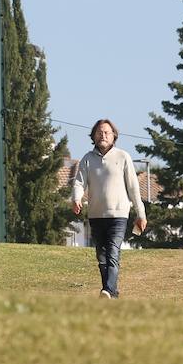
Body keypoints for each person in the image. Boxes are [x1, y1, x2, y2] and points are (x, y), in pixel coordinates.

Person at [71, 118, 147, 299]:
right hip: (96, 215)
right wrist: (76, 198)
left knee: (113, 251)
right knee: (102, 256)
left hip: (119, 215)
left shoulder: (123, 157)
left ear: (114, 136)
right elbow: (79, 183)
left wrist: (140, 213)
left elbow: (133, 188)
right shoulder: (87, 159)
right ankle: (111, 291)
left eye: (106, 132)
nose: (103, 135)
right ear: (93, 136)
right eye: (99, 132)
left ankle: (108, 290)